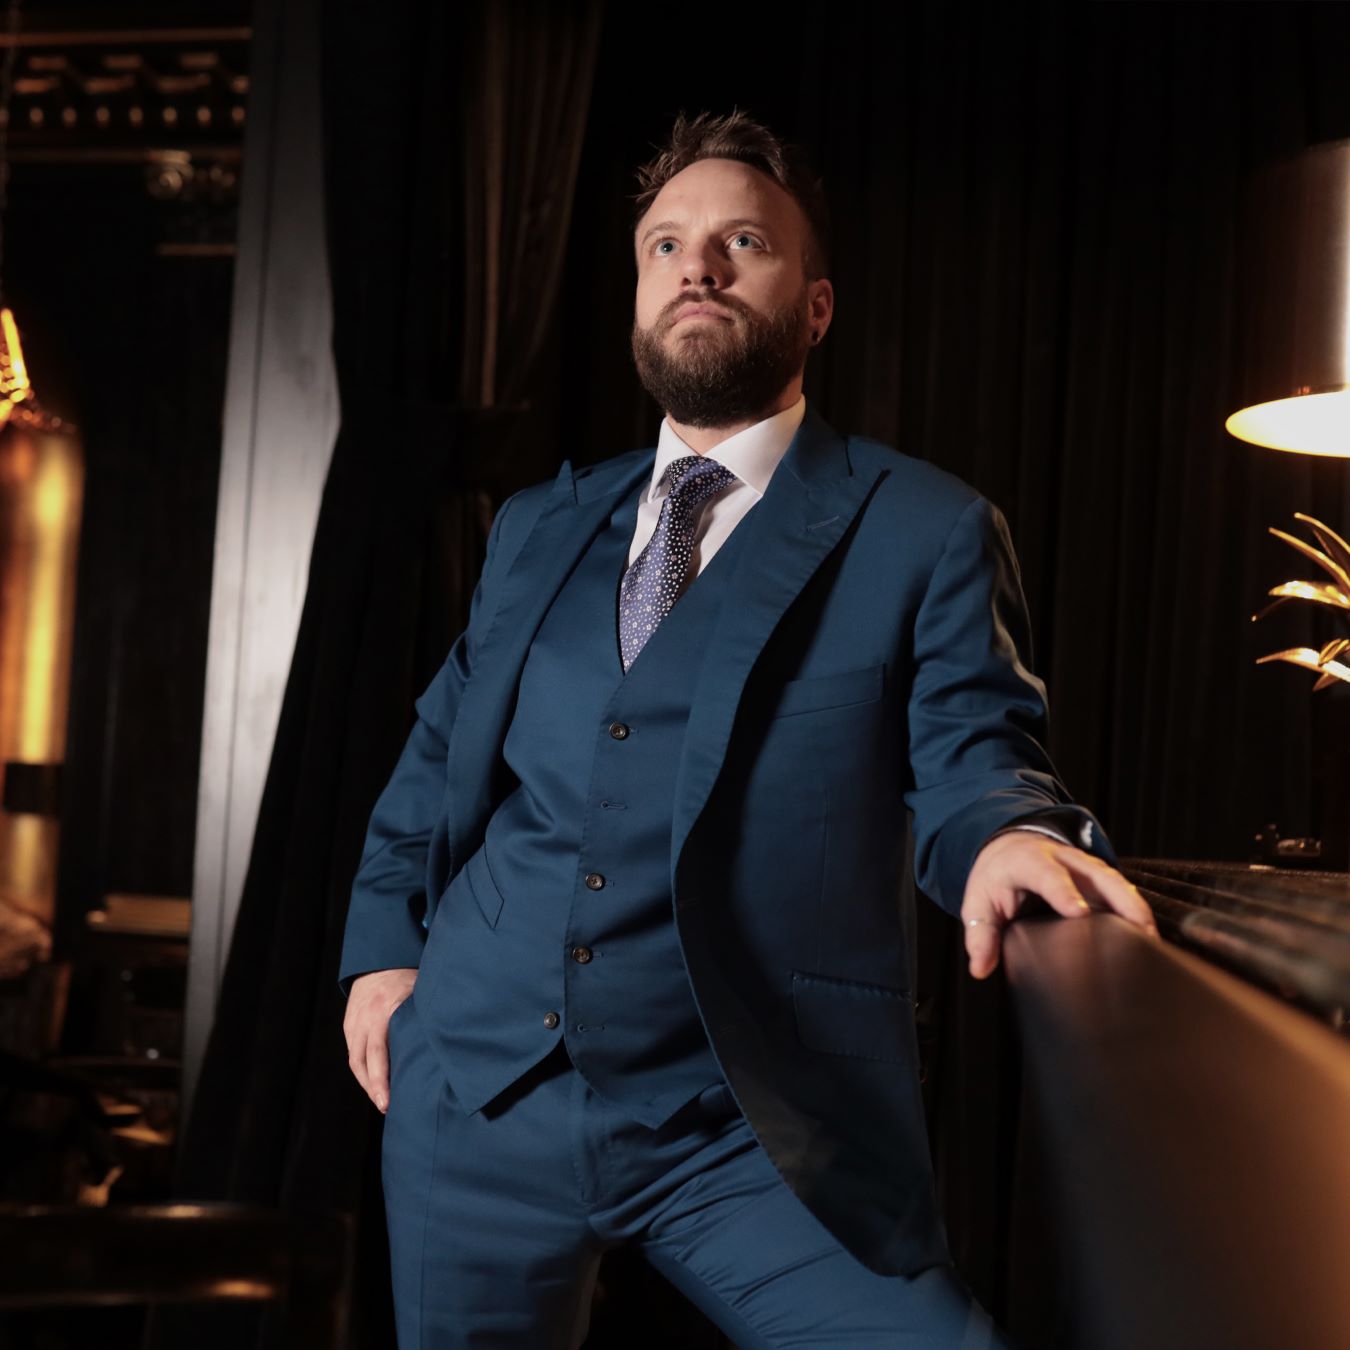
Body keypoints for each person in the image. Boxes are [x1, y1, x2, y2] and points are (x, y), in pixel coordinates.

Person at [338, 110, 1156, 1350]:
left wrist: (1002, 840)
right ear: (638, 295)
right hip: (478, 1092)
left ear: (815, 307)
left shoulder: (922, 530)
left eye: (740, 242)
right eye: (664, 246)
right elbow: (438, 766)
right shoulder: (535, 529)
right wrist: (383, 958)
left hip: (753, 1120)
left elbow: (975, 756)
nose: (696, 268)